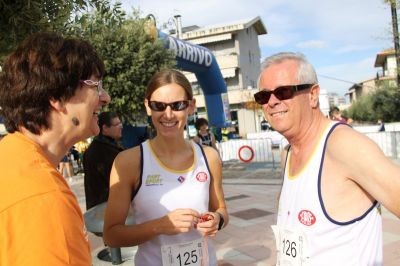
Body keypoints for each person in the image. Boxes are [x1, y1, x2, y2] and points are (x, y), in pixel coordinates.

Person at [254, 52, 400, 265]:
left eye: (283, 92)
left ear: (313, 95)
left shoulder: (344, 146)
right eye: (263, 96)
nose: (272, 102)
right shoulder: (288, 153)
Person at [0, 32, 110, 265]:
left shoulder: (10, 157)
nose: (105, 97)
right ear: (57, 97)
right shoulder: (44, 199)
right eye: (96, 85)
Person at [103, 69, 228, 266]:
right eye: (158, 106)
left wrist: (216, 219)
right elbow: (111, 235)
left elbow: (221, 210)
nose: (168, 115)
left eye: (177, 105)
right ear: (147, 107)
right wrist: (159, 226)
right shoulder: (128, 162)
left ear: (191, 106)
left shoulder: (209, 157)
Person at [83, 111, 123, 210]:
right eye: (117, 124)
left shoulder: (104, 147)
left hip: (103, 207)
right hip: (105, 209)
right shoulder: (101, 151)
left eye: (120, 123)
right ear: (105, 128)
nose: (121, 126)